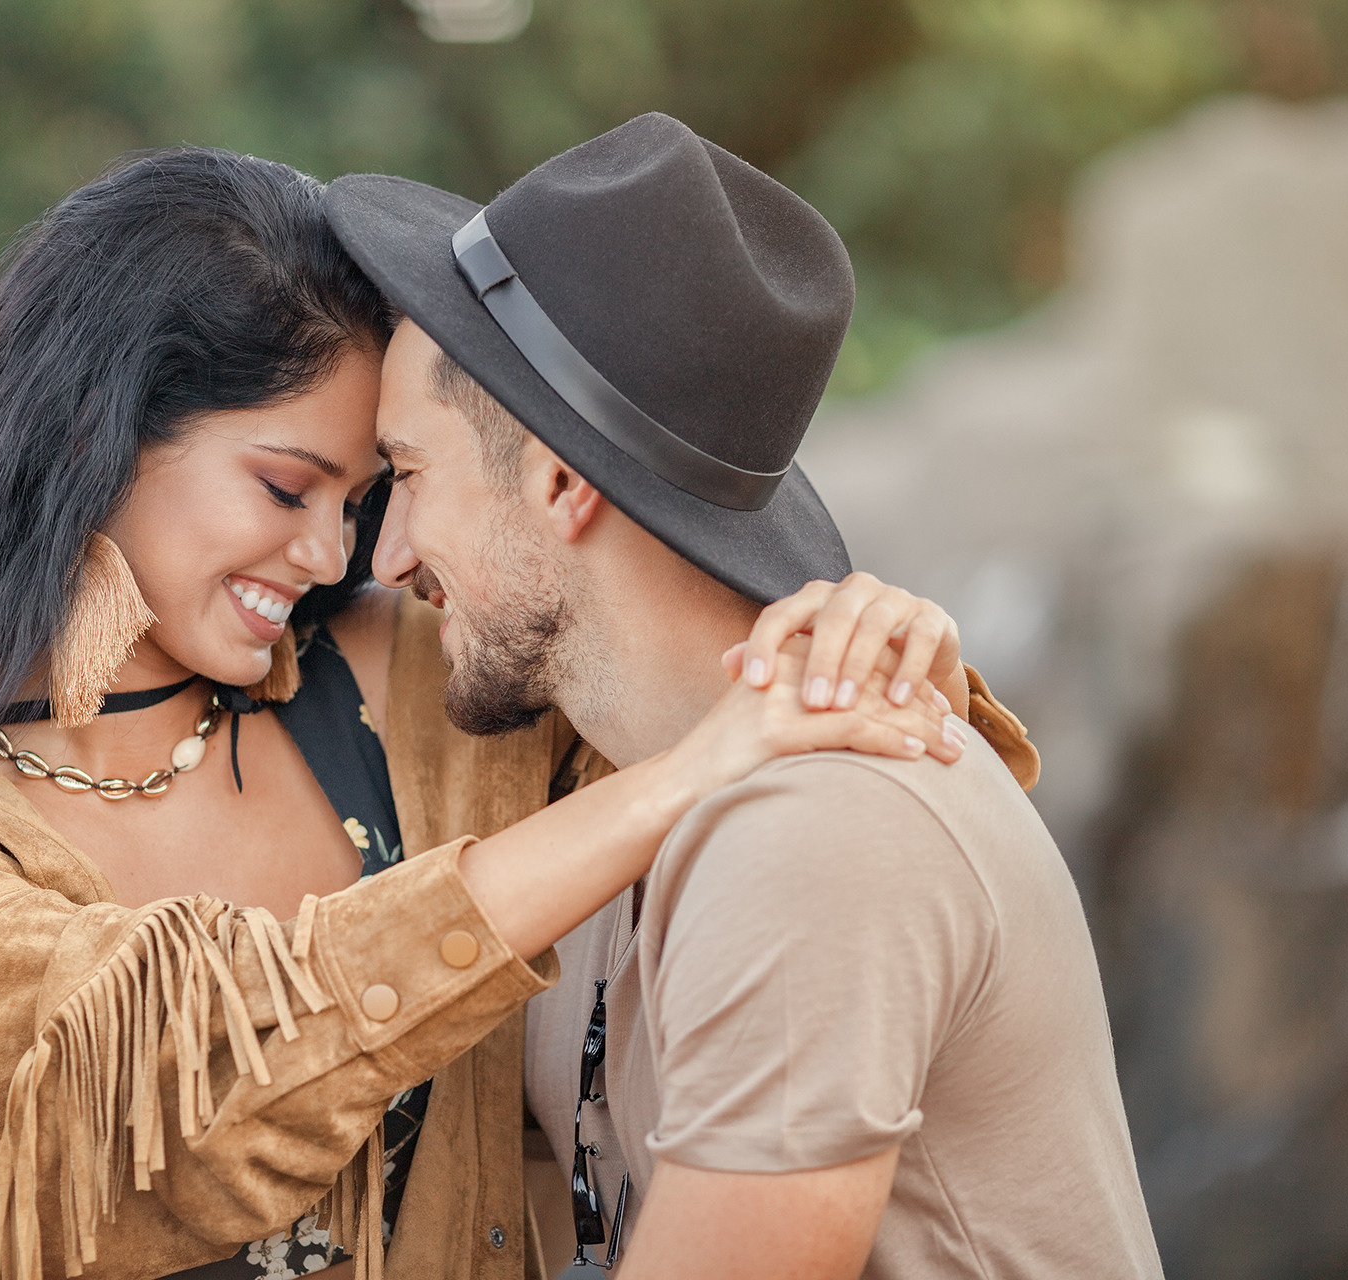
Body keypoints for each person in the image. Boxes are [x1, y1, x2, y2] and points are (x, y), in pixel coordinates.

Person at [0, 146, 979, 1280]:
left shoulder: (414, 697)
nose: (333, 558)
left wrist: (844, 633)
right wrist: (672, 786)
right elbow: (181, 1082)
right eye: (284, 489)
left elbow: (657, 642)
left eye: (361, 496)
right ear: (98, 437)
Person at [327, 113, 1162, 1278]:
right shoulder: (629, 777)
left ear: (563, 479)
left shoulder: (815, 833)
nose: (386, 552)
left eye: (408, 474)